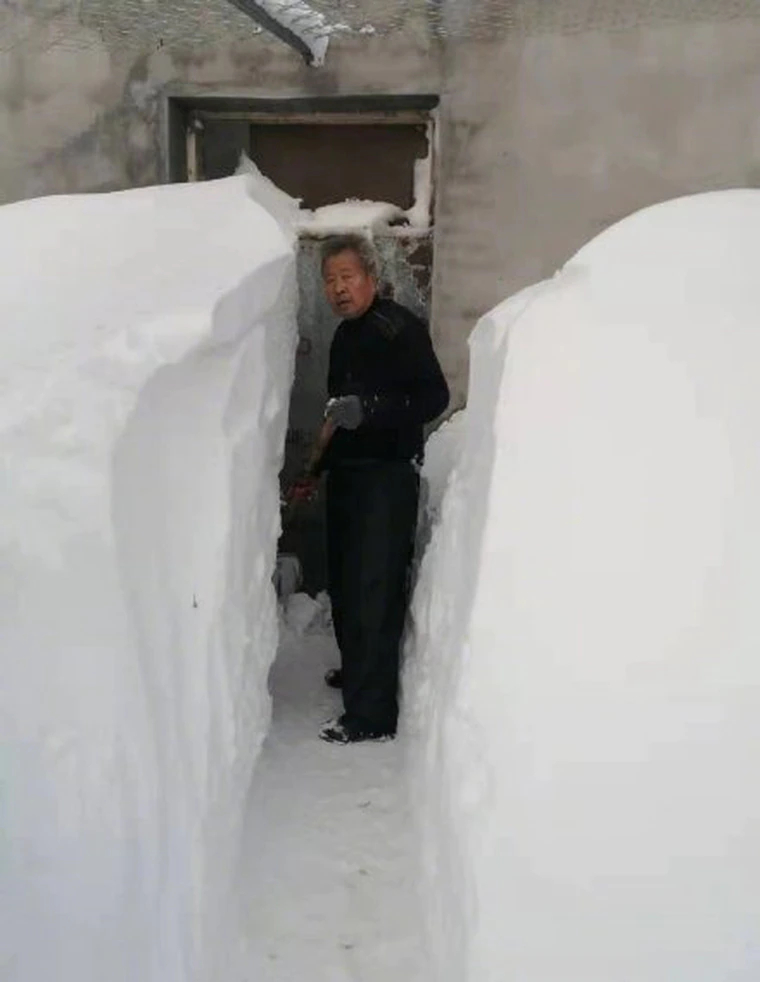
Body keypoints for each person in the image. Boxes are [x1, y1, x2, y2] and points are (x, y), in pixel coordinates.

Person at [291, 233, 449, 744]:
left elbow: (434, 397)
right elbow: (339, 417)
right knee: (346, 584)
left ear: (371, 280)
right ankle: (360, 675)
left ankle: (372, 716)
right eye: (330, 280)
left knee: (374, 591)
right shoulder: (343, 338)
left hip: (386, 477)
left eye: (347, 277)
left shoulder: (397, 328)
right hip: (350, 476)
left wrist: (374, 409)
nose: (338, 289)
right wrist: (314, 471)